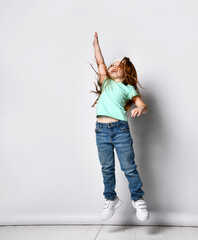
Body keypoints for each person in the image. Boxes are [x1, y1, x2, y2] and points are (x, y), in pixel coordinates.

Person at [91, 32, 149, 222]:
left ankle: (138, 199)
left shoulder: (127, 88)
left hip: (120, 131)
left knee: (129, 168)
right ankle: (111, 198)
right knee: (106, 168)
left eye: (120, 66)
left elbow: (141, 104)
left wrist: (140, 108)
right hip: (101, 132)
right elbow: (100, 61)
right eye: (112, 65)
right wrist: (96, 45)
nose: (114, 66)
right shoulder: (105, 82)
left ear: (127, 73)